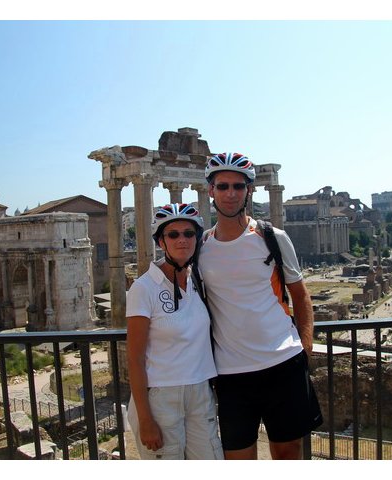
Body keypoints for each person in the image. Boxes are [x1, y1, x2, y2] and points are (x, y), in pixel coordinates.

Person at [198, 152, 323, 460]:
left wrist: (304, 348)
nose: (230, 193)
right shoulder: (199, 247)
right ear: (210, 190)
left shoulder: (273, 238)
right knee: (238, 458)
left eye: (238, 186)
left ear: (249, 190)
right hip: (231, 373)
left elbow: (300, 295)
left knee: (288, 453)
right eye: (222, 186)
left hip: (284, 364)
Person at [126, 203, 223, 460]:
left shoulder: (199, 280)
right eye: (173, 234)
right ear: (161, 242)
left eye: (189, 234)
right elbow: (134, 359)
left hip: (200, 391)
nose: (182, 240)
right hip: (161, 398)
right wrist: (145, 420)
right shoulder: (143, 288)